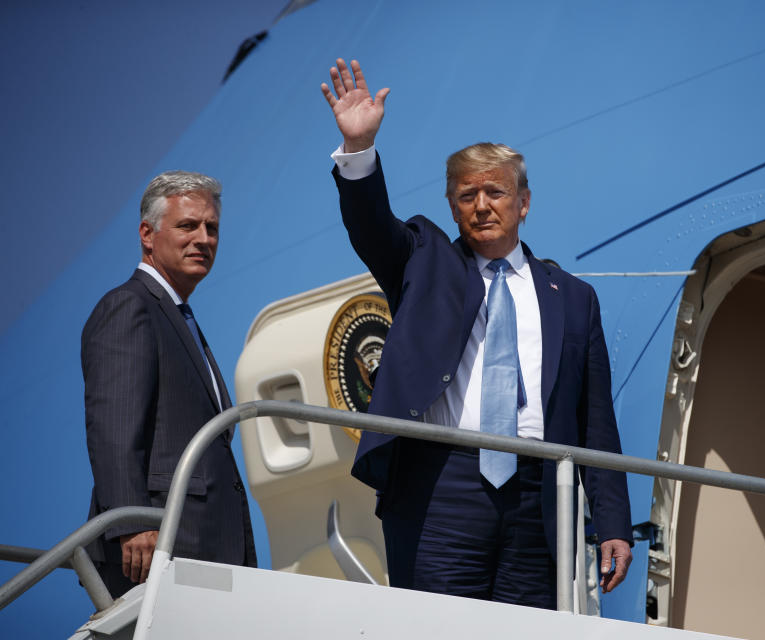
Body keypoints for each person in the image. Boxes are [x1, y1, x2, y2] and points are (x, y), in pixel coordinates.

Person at [322, 58, 633, 609]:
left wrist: (612, 523)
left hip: (540, 496)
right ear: (452, 206)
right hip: (443, 485)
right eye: (467, 196)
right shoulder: (425, 260)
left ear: (524, 203)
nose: (482, 206)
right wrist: (359, 151)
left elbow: (596, 421)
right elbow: (372, 228)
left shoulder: (575, 298)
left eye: (495, 192)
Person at [81, 171, 256, 598]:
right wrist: (133, 521)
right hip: (160, 544)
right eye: (187, 226)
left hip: (210, 546)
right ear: (147, 233)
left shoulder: (178, 315)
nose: (204, 239)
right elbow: (114, 429)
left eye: (211, 228)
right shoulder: (130, 306)